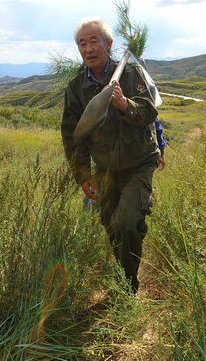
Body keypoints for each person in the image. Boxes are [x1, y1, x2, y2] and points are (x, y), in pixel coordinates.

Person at [61, 17, 161, 293]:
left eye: (94, 41)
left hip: (139, 162)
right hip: (105, 167)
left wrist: (124, 103)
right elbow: (73, 136)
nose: (88, 48)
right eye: (82, 43)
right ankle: (124, 274)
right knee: (110, 225)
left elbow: (150, 113)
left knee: (127, 222)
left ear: (108, 44)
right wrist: (83, 174)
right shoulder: (76, 89)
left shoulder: (130, 75)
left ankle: (127, 289)